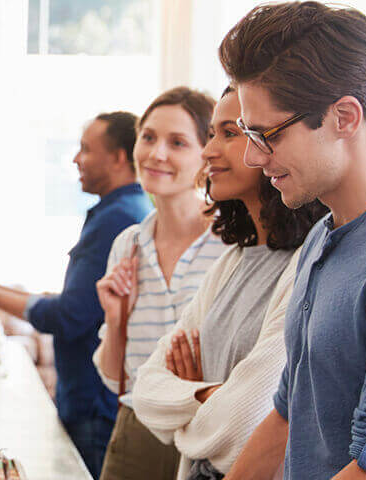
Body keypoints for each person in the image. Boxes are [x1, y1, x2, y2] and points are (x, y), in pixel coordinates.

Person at [217, 3, 366, 479]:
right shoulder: (321, 235)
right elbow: (288, 411)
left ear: (345, 117)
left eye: (266, 134)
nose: (254, 157)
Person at [127, 86, 327, 480]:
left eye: (230, 133)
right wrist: (206, 394)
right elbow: (146, 390)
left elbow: (247, 421)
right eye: (213, 133)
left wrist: (186, 405)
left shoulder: (309, 263)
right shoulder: (232, 262)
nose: (208, 151)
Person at [0, 112, 152, 478]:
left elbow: (69, 316)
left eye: (86, 150)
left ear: (120, 157)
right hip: (89, 399)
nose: (75, 160)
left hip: (93, 404)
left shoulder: (118, 219)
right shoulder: (121, 212)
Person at [91, 87, 227, 480]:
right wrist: (116, 319)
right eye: (148, 137)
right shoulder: (128, 244)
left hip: (209, 430)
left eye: (178, 142)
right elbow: (116, 378)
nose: (156, 154)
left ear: (208, 154)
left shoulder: (233, 242)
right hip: (138, 431)